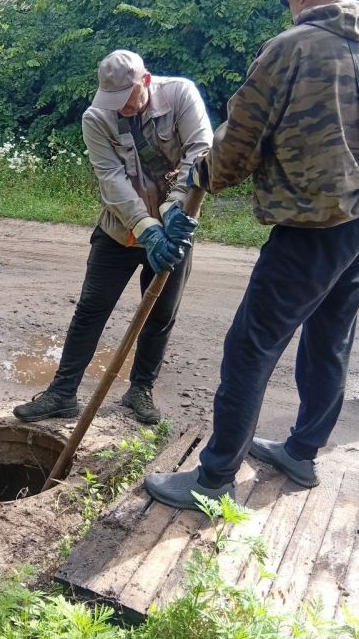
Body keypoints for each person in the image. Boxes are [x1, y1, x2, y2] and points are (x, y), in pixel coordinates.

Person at [145, 0, 359, 509]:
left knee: (251, 346)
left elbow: (236, 147)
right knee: (329, 338)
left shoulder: (292, 47)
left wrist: (203, 171)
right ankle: (302, 451)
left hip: (314, 222)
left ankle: (213, 480)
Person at [14, 50, 213, 424]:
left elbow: (199, 154)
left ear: (146, 82)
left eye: (127, 99)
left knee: (160, 313)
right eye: (113, 101)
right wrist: (145, 227)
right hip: (119, 228)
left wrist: (172, 212)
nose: (120, 108)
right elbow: (112, 179)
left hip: (178, 225)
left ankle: (140, 391)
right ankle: (62, 393)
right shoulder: (96, 117)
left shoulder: (181, 95)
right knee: (91, 309)